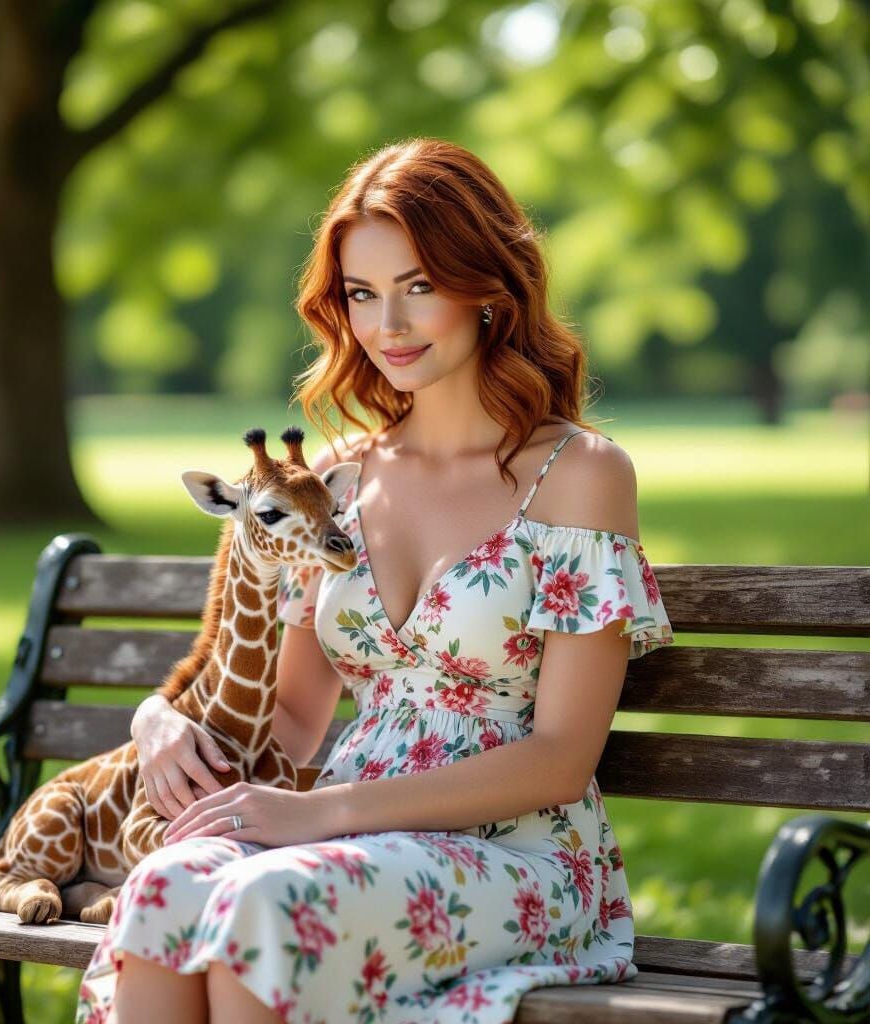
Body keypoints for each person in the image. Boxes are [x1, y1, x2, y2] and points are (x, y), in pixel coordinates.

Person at [76, 137, 675, 1024]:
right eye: (362, 294)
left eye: (418, 287)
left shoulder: (582, 475)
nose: (387, 325)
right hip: (341, 842)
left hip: (518, 859)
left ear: (489, 286)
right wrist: (159, 719)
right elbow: (291, 716)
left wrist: (318, 817)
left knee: (264, 904)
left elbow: (560, 759)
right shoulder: (341, 482)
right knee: (168, 887)